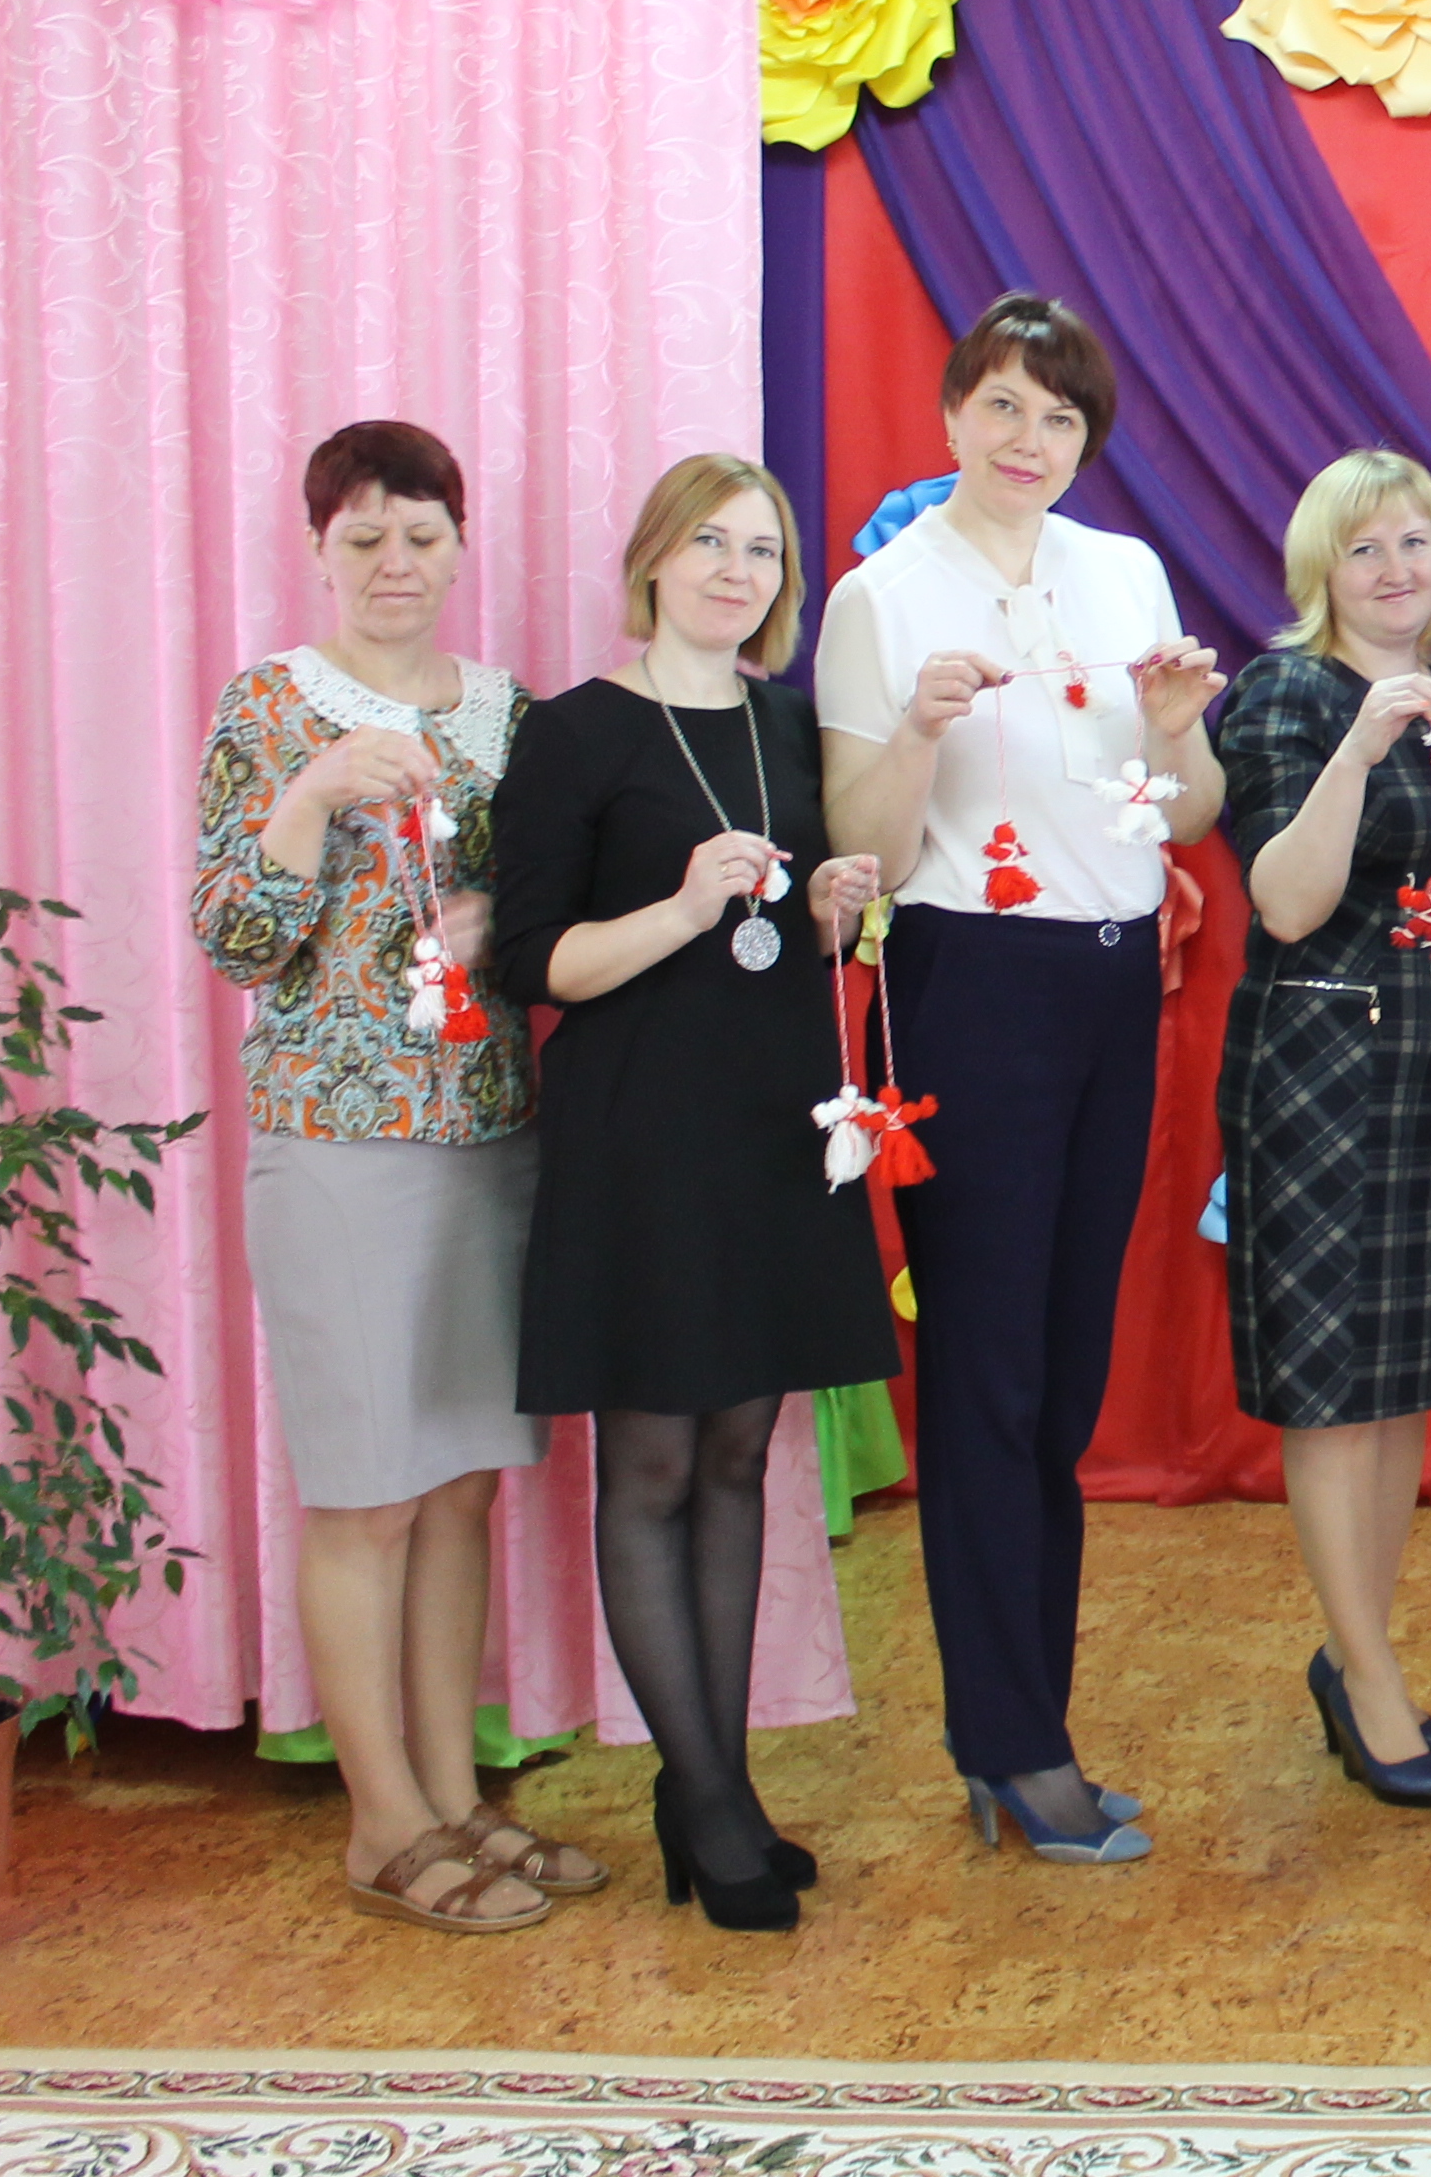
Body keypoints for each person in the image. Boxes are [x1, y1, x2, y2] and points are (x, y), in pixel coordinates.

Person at [817, 294, 1223, 1862]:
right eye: (1002, 405)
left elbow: (1182, 816)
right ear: (952, 415)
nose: (1028, 438)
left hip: (1113, 983)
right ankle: (1007, 1741)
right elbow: (859, 838)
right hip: (968, 983)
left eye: (1058, 417)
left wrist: (1178, 734)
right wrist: (920, 731)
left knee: (1061, 1375)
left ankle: (1030, 1726)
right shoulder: (881, 594)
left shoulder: (1124, 573)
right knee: (987, 1372)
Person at [493, 456, 901, 1932]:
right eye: (712, 543)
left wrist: (831, 911)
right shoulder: (575, 731)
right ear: (655, 559)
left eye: (764, 550)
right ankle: (712, 1800)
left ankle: (712, 1783)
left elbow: (796, 938)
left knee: (740, 1456)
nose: (739, 571)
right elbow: (535, 963)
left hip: (771, 1130)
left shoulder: (788, 726)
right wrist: (681, 905)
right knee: (654, 1465)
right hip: (639, 1140)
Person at [191, 421, 581, 1934]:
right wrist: (309, 798)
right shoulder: (271, 707)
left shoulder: (510, 715)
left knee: (461, 1486)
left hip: (490, 1132)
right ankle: (382, 1824)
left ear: (460, 546)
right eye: (364, 538)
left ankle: (456, 1798)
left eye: (421, 536)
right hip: (337, 1146)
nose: (396, 564)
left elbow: (551, 914)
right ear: (319, 551)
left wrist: (500, 925)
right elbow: (237, 940)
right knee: (365, 1497)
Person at [1215, 450, 1431, 1808]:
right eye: (1365, 548)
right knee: (1333, 1392)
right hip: (1323, 1069)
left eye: (1414, 542)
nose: (1396, 570)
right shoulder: (1284, 692)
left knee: (1400, 1388)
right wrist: (1360, 744)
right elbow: (1285, 900)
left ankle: (1359, 1655)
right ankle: (1369, 1676)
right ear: (1319, 570)